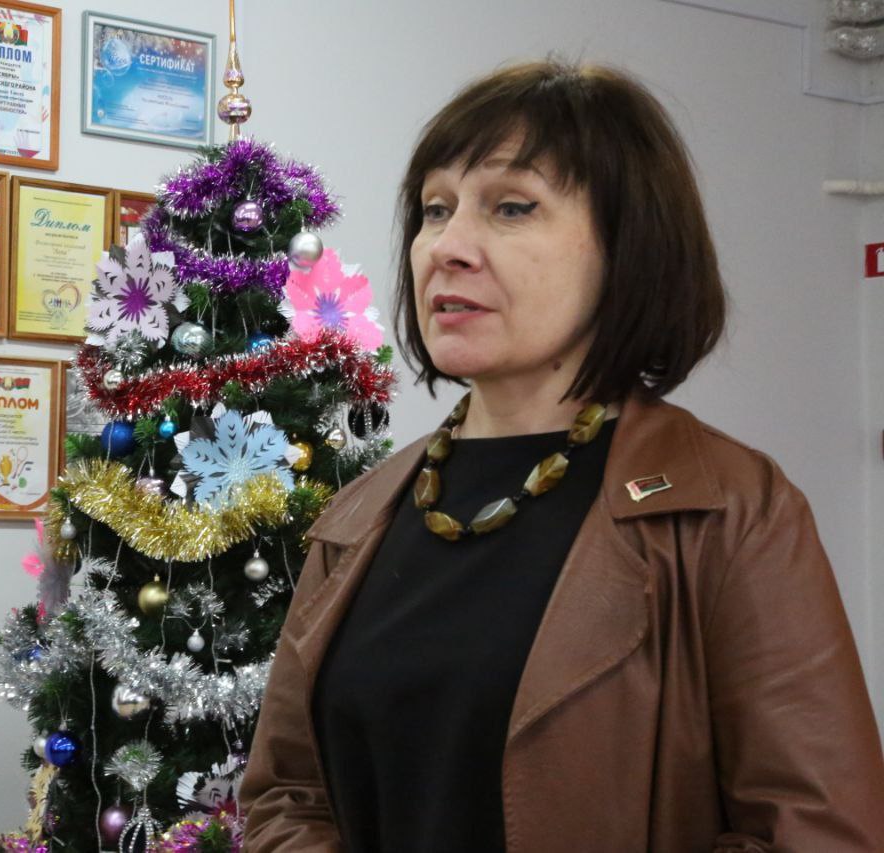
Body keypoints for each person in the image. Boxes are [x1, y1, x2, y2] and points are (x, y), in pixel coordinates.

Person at [238, 60, 884, 852]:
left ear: (628, 247)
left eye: (512, 207)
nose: (448, 247)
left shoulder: (730, 510)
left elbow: (816, 832)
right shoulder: (357, 518)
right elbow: (287, 796)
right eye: (435, 209)